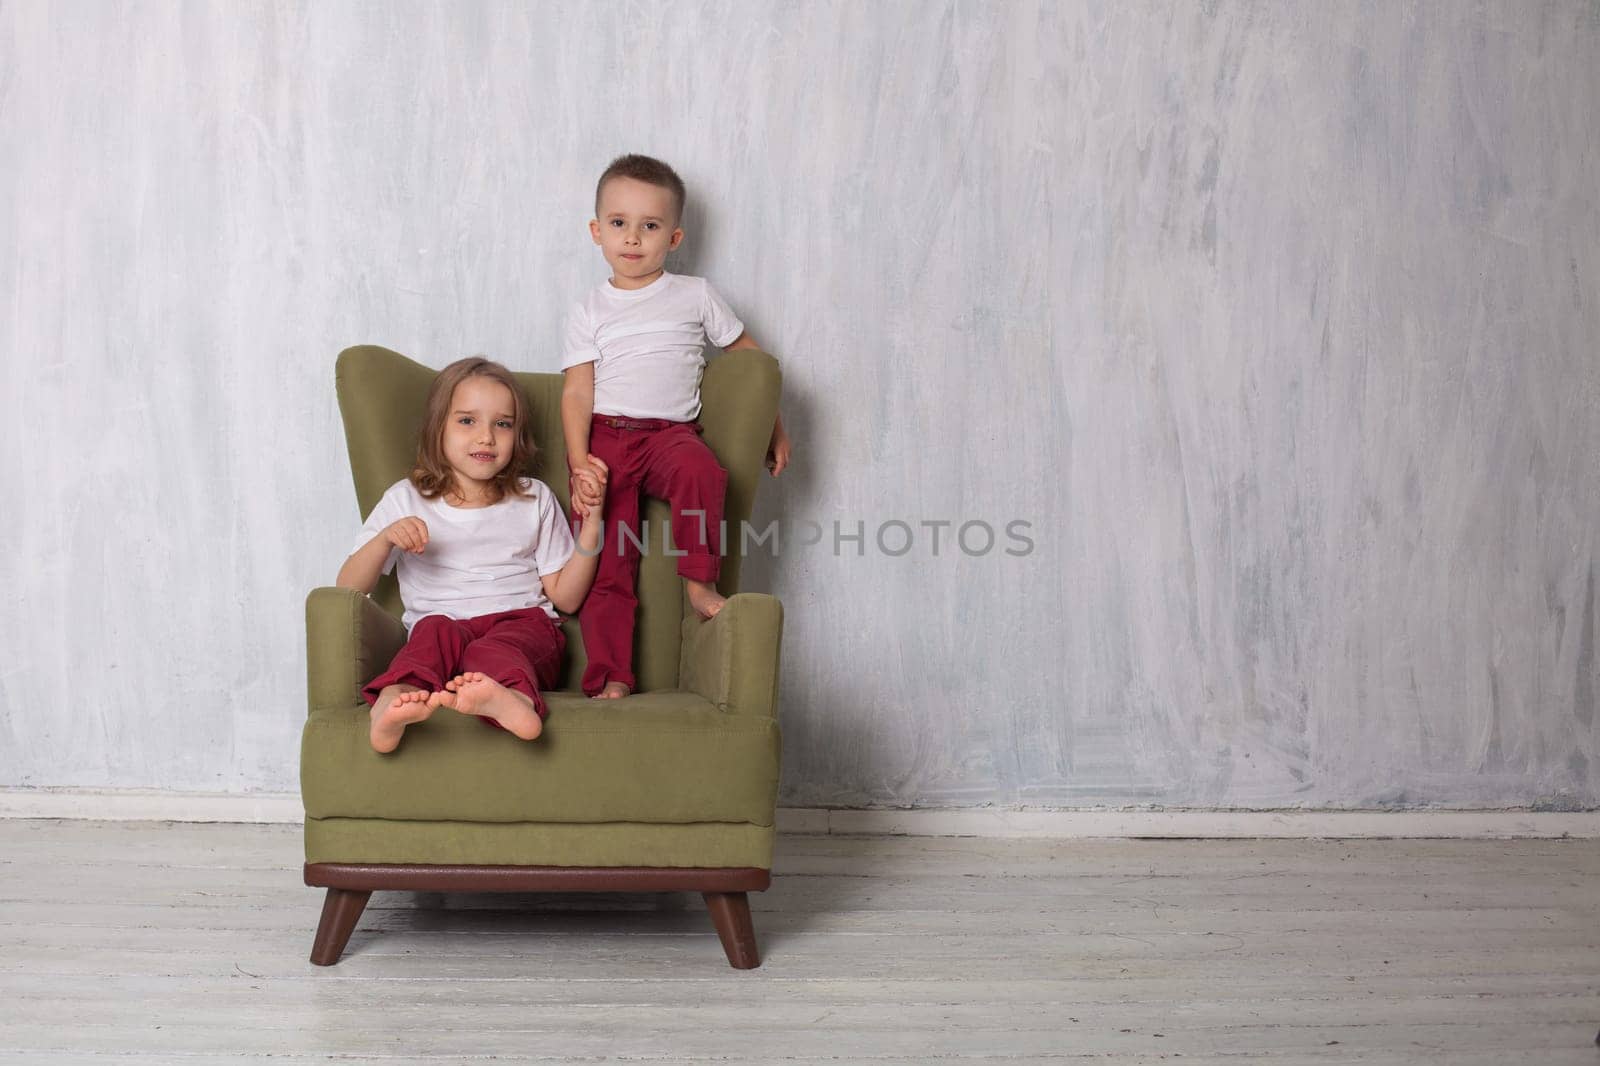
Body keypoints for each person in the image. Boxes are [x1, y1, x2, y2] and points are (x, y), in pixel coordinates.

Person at [560, 153, 792, 700]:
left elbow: (749, 360)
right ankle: (611, 675)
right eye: (619, 223)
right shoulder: (589, 309)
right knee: (607, 561)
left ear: (675, 236)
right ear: (597, 232)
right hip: (608, 438)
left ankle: (698, 582)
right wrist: (578, 461)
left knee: (703, 473)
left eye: (650, 225)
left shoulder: (696, 295)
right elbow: (576, 390)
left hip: (670, 435)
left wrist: (773, 425)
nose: (633, 238)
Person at [336, 357, 603, 753]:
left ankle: (516, 703)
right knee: (431, 633)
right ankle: (394, 702)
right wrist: (385, 540)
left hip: (523, 624)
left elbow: (565, 597)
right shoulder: (405, 499)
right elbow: (348, 588)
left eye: (503, 423)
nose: (486, 437)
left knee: (491, 650)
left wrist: (593, 523)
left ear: (518, 434)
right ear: (437, 429)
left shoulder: (534, 498)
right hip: (442, 627)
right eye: (467, 421)